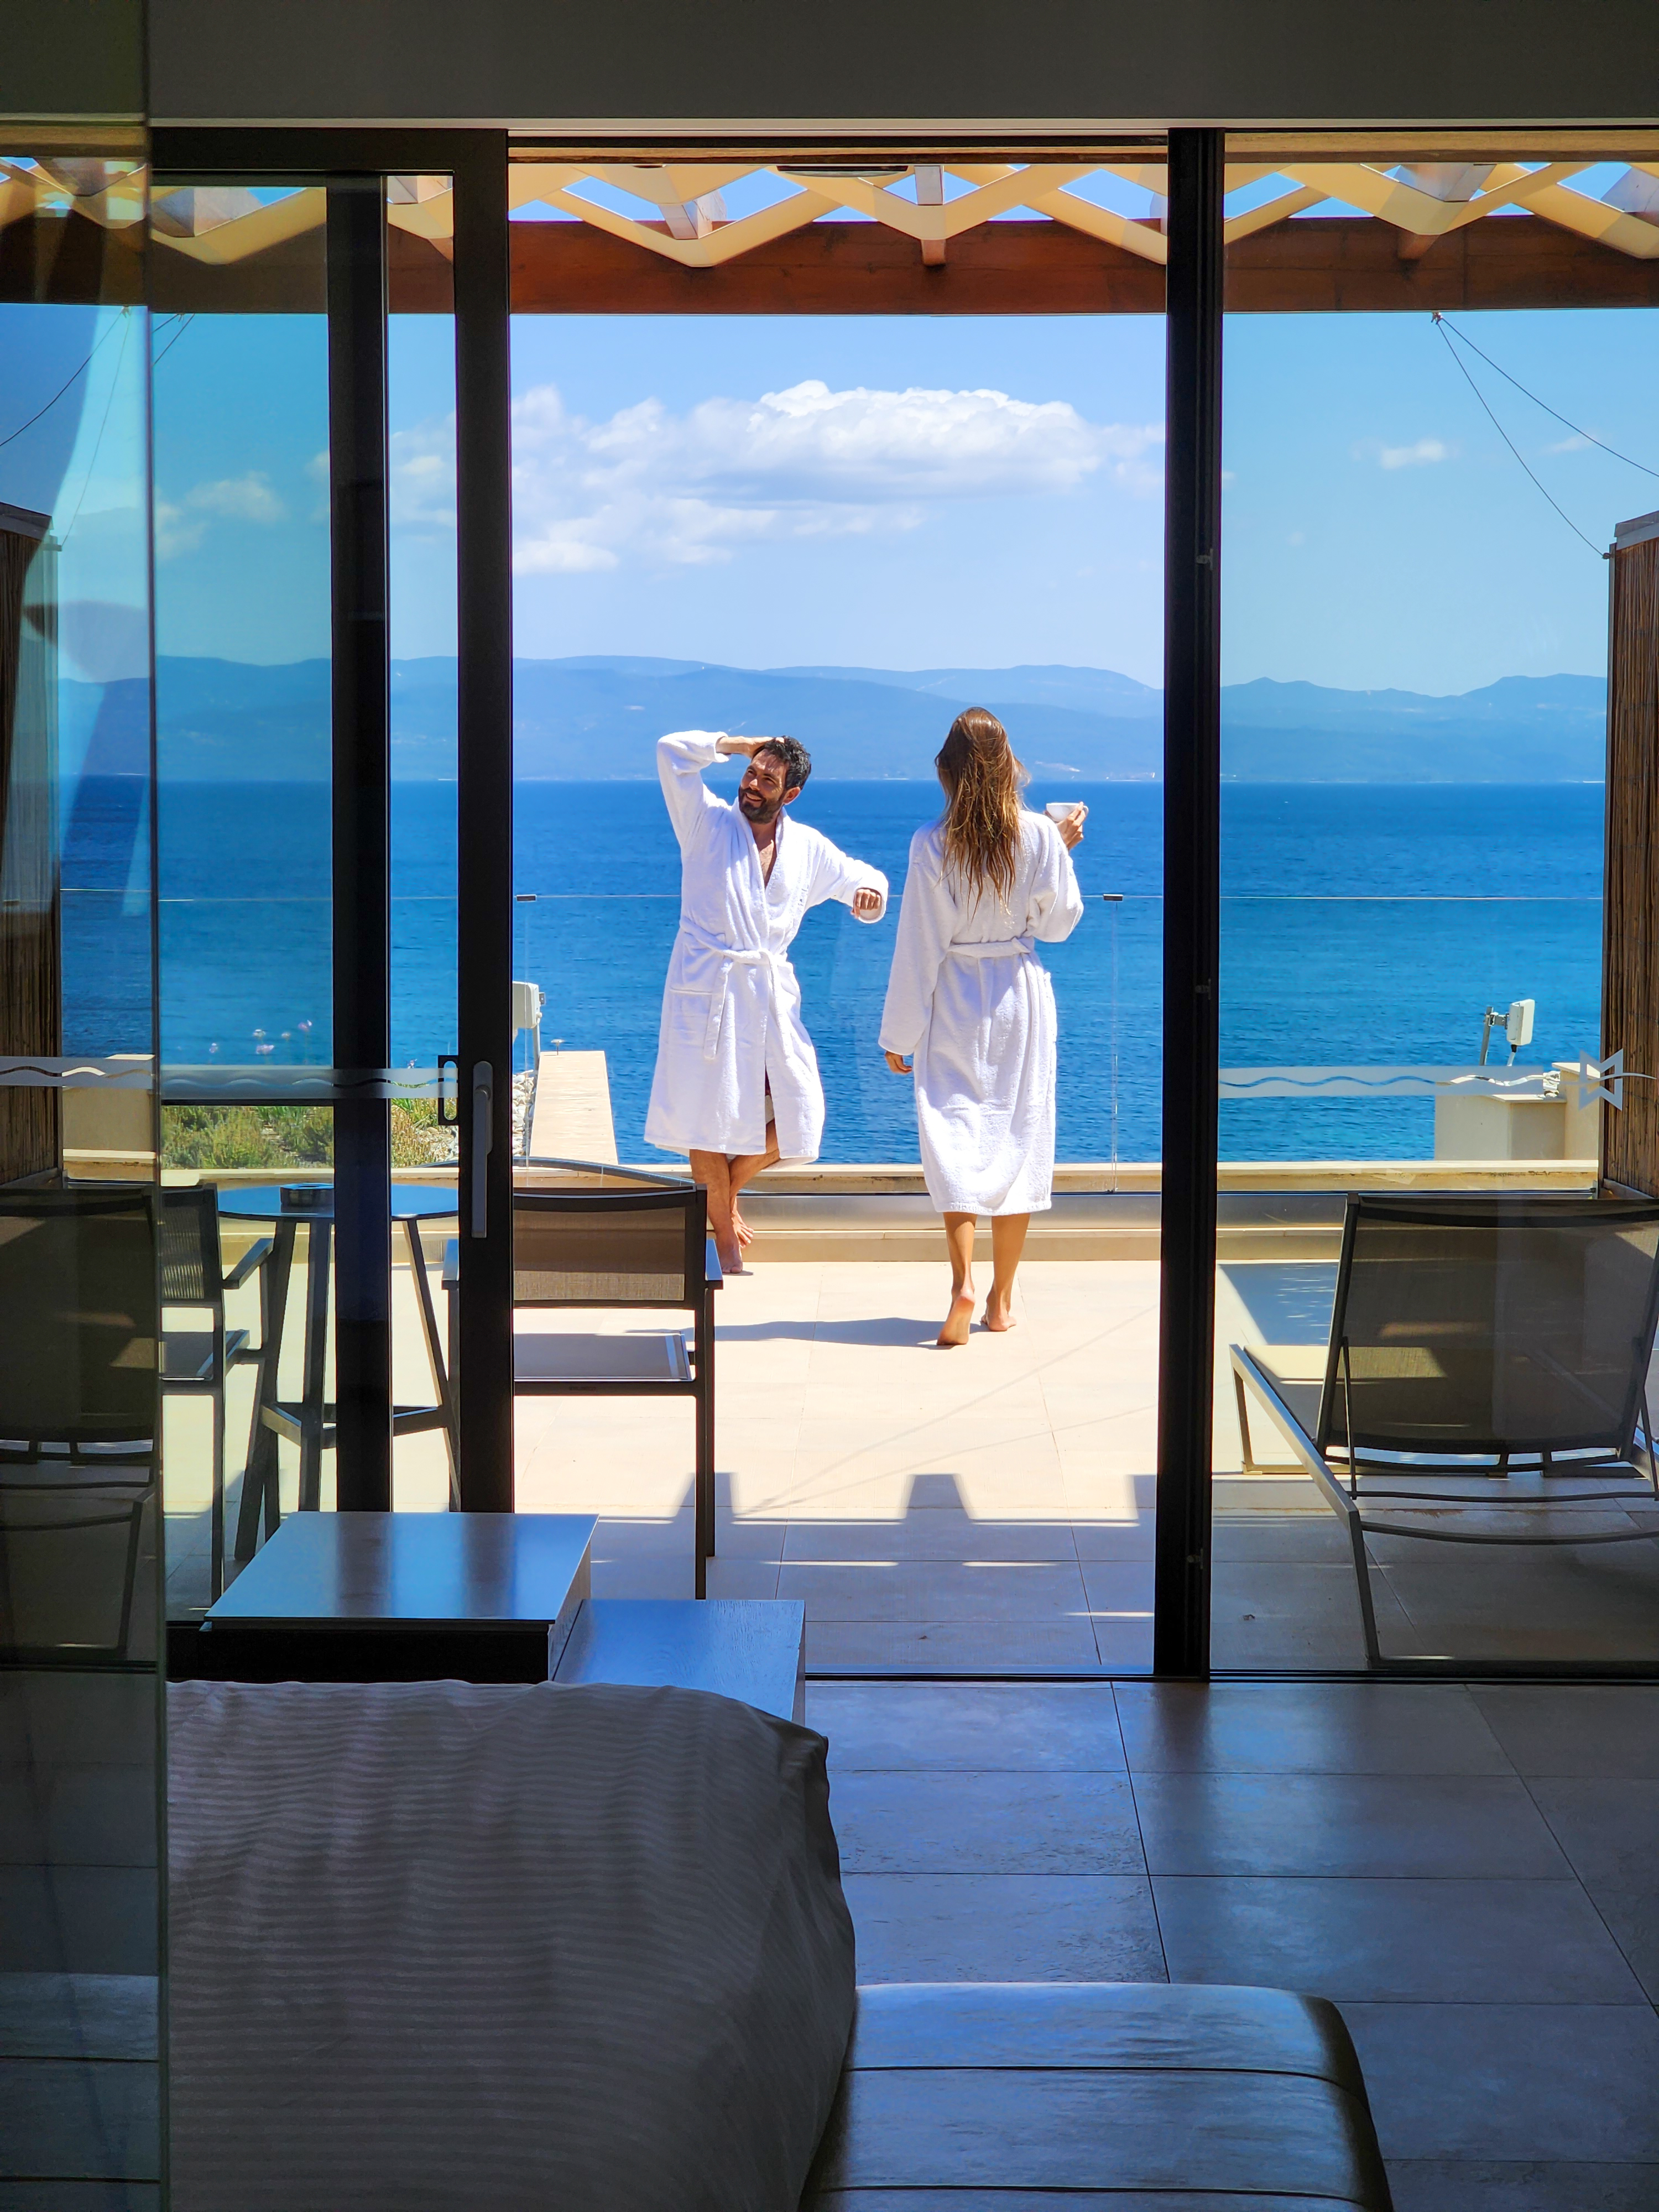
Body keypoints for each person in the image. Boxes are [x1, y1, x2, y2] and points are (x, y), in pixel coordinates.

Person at [645, 730, 888, 1272]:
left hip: (768, 991)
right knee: (704, 1121)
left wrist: (868, 900)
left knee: (803, 1110)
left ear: (792, 794)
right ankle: (725, 1244)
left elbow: (864, 880)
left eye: (768, 779)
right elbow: (670, 752)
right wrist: (734, 744)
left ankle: (723, 1196)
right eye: (752, 773)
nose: (753, 785)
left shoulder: (806, 849)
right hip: (705, 989)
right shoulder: (705, 822)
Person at [879, 708, 1085, 1347]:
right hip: (1019, 998)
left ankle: (962, 1281)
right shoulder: (1040, 836)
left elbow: (919, 945)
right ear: (1008, 766)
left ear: (949, 769)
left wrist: (899, 1034)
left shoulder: (931, 843)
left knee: (956, 1136)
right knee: (1019, 1136)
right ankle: (1000, 1301)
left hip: (956, 999)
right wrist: (1061, 848)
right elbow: (1060, 923)